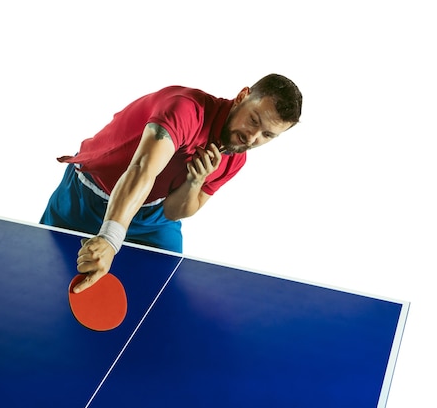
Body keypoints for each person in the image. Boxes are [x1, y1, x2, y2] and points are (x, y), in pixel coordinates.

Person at [40, 73, 302, 293]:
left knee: (162, 295)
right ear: (243, 96)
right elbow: (142, 169)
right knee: (47, 281)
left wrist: (194, 181)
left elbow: (174, 211)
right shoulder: (186, 109)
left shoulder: (234, 158)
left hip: (152, 217)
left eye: (267, 135)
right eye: (254, 119)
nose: (252, 137)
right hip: (88, 194)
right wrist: (110, 238)